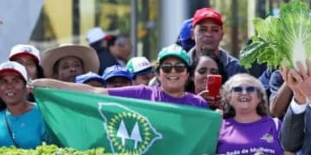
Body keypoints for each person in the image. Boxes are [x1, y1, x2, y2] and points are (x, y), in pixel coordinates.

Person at [33, 44, 209, 108]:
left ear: (188, 74)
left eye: (179, 67)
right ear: (158, 73)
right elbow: (93, 92)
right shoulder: (143, 94)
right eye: (167, 67)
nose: (173, 72)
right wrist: (49, 83)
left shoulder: (199, 105)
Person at [216, 73, 284, 155]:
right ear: (229, 98)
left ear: (259, 97)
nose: (244, 92)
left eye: (250, 89)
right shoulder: (218, 127)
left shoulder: (276, 125)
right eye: (237, 89)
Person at [0, 62, 48, 149]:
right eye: (3, 82)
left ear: (26, 87)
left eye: (15, 81)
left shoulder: (44, 112)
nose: (9, 86)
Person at [188, 7, 247, 77]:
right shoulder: (181, 66)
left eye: (214, 30)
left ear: (222, 35)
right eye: (203, 29)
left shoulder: (236, 68)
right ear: (192, 34)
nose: (208, 34)